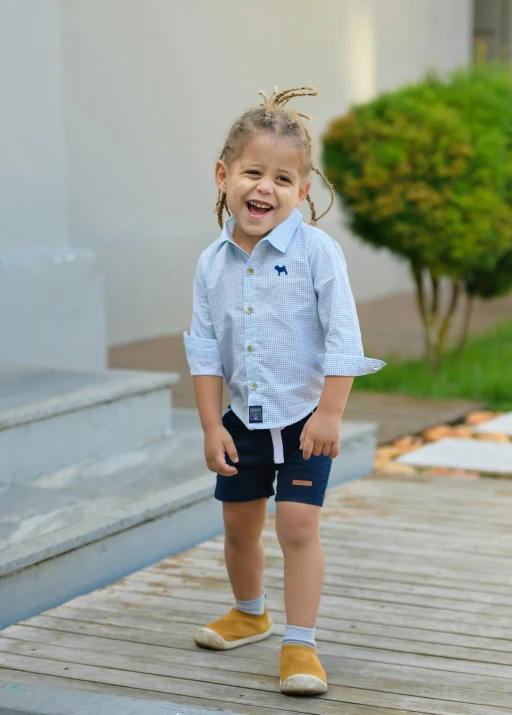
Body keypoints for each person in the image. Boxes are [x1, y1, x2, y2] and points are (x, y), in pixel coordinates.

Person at [183, 86, 384, 696]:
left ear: (302, 191)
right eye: (251, 172)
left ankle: (300, 644)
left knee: (297, 527)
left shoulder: (317, 254)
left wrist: (329, 413)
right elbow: (205, 348)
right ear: (223, 176)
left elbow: (343, 338)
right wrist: (212, 425)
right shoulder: (211, 264)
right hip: (242, 419)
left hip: (304, 420)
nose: (264, 188)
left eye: (283, 178)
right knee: (239, 527)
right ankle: (250, 612)